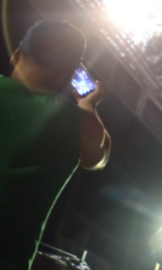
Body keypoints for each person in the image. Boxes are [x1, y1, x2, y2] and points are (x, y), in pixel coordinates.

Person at [0, 20, 111, 270]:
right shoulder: (78, 123)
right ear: (70, 75)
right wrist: (89, 107)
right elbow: (98, 159)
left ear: (17, 54)